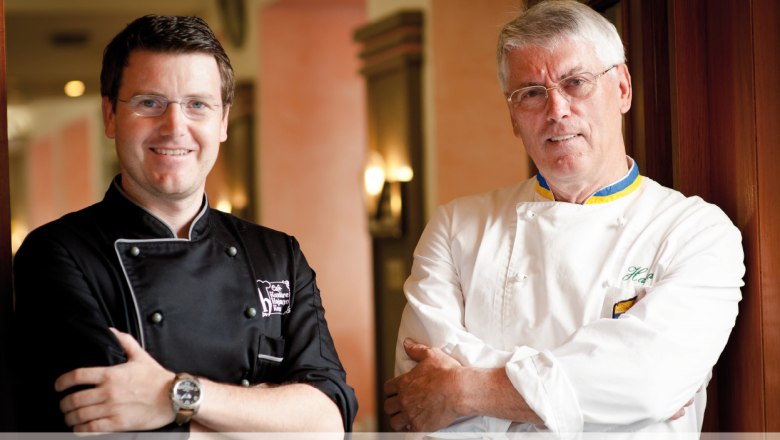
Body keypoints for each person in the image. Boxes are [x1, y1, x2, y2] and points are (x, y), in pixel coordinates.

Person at [383, 0, 744, 435]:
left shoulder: (696, 232)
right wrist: (604, 387)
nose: (557, 110)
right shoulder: (456, 227)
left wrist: (461, 390)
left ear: (623, 89)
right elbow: (422, 393)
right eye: (531, 93)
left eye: (576, 83)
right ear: (513, 117)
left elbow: (650, 382)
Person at [12, 14, 357, 433]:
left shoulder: (278, 255)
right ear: (110, 115)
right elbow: (108, 425)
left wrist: (174, 396)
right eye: (149, 103)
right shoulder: (57, 254)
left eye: (197, 105)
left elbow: (329, 421)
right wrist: (271, 419)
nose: (175, 127)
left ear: (223, 121)